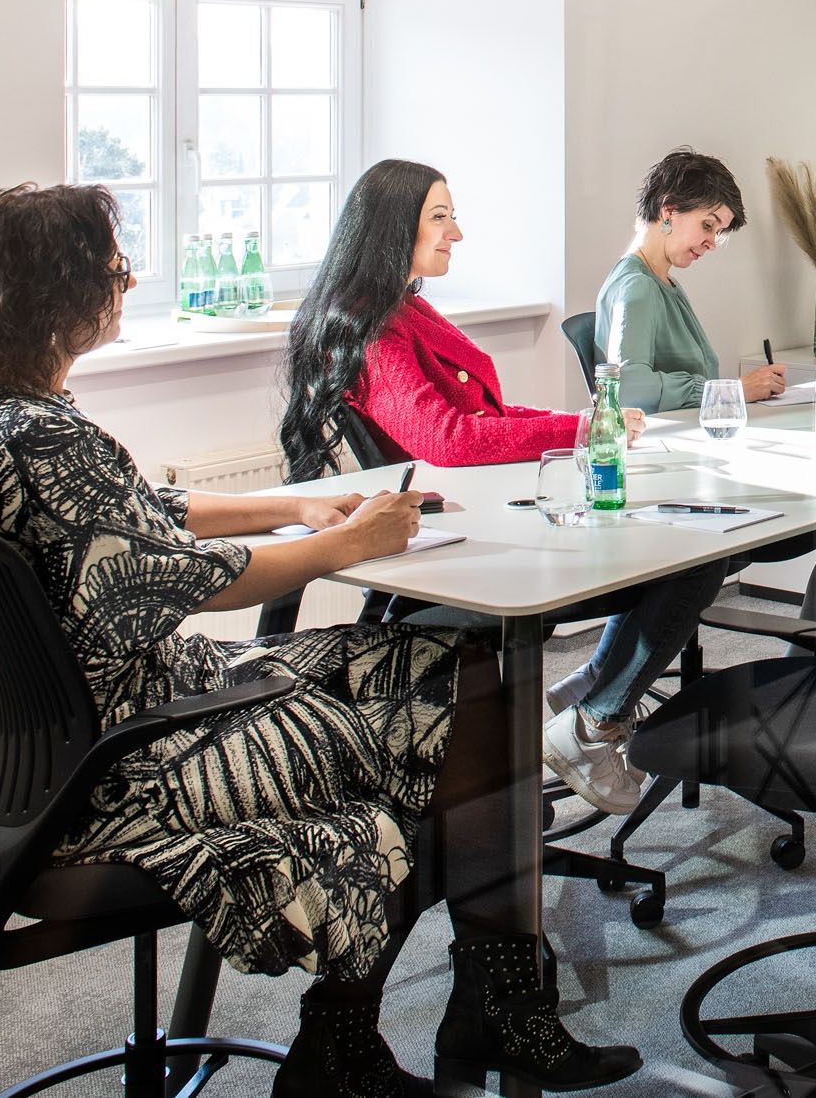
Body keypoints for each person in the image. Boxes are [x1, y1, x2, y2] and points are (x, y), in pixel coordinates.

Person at [0, 183, 639, 1098]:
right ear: (53, 292)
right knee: (453, 722)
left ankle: (409, 1029)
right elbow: (176, 581)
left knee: (458, 676)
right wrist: (345, 545)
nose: (126, 281)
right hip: (139, 749)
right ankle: (433, 1022)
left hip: (86, 733)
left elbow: (139, 512)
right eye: (113, 268)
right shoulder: (46, 438)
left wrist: (289, 507)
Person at [279, 159, 711, 817]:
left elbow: (487, 416)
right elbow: (449, 438)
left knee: (692, 546)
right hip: (458, 552)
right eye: (440, 218)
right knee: (690, 556)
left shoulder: (404, 308)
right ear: (394, 226)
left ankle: (589, 700)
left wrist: (582, 422)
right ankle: (593, 718)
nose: (456, 233)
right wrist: (578, 428)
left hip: (476, 520)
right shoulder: (372, 324)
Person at [596, 148, 789, 412]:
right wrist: (732, 391)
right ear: (668, 211)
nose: (712, 243)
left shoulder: (665, 285)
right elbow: (629, 388)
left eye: (718, 232)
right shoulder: (637, 286)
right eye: (708, 225)